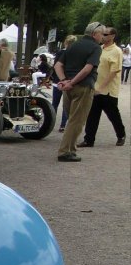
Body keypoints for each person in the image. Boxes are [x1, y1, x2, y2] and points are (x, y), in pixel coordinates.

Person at [54, 22, 104, 162]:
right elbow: (88, 68)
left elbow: (58, 65)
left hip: (68, 87)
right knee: (77, 121)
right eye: (102, 34)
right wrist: (73, 82)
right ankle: (65, 151)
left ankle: (71, 149)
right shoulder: (95, 47)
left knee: (71, 119)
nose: (103, 37)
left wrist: (64, 80)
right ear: (95, 34)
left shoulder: (73, 45)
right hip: (82, 86)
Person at [79, 26, 126, 147]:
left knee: (113, 115)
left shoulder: (116, 51)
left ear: (112, 36)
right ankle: (89, 139)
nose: (103, 36)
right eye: (103, 34)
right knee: (92, 115)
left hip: (108, 90)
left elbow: (114, 71)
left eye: (106, 34)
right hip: (95, 88)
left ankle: (121, 134)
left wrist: (102, 87)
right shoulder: (99, 49)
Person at [52, 35, 77, 132]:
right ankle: (62, 125)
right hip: (68, 81)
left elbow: (55, 66)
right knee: (66, 105)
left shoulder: (60, 53)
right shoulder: (74, 54)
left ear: (65, 43)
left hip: (57, 81)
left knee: (55, 103)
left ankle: (51, 122)